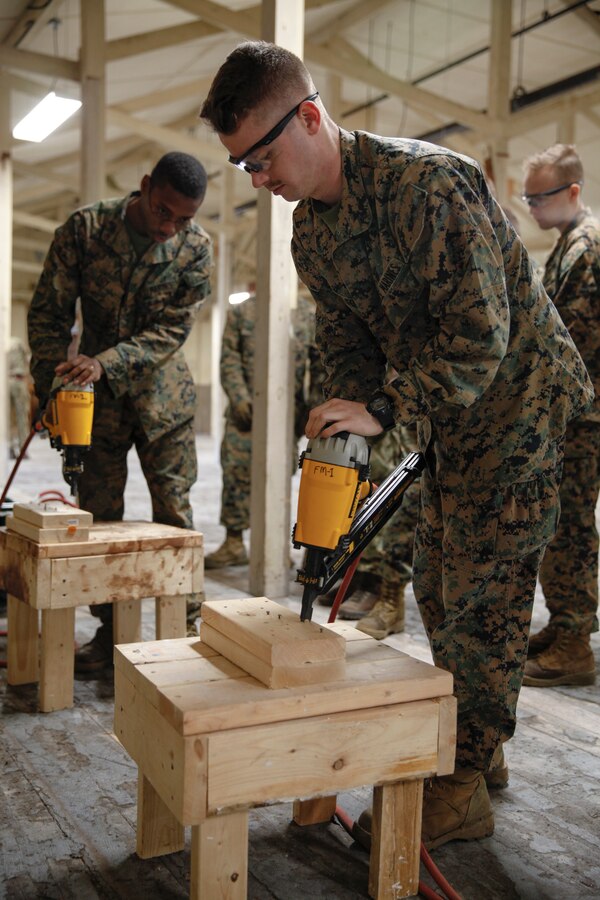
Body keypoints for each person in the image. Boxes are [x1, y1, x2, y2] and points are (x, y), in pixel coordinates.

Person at [200, 42, 593, 851]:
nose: (258, 181)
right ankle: (480, 747)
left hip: (515, 404)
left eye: (261, 158)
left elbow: (482, 336)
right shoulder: (313, 234)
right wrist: (345, 419)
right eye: (243, 167)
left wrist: (385, 406)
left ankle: (460, 785)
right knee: (437, 585)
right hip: (444, 416)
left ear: (309, 117)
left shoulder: (430, 183)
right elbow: (346, 341)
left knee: (484, 592)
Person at [28, 152, 213, 673]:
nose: (170, 227)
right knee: (100, 517)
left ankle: (190, 633)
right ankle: (110, 635)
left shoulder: (196, 249)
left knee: (174, 514)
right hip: (94, 407)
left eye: (184, 219)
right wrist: (50, 394)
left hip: (163, 402)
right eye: (163, 212)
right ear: (145, 186)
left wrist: (105, 362)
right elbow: (48, 314)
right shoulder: (85, 230)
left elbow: (172, 332)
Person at [522, 143, 599, 687]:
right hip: (575, 412)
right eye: (526, 198)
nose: (531, 207)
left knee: (569, 527)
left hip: (582, 416)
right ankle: (565, 624)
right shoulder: (569, 244)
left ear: (572, 192)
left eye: (540, 197)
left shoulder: (586, 249)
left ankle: (574, 640)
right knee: (563, 525)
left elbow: (574, 341)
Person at [205, 290, 316, 569]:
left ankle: (275, 544)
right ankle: (233, 542)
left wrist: (309, 410)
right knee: (236, 473)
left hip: (287, 415)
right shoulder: (242, 312)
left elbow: (317, 365)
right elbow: (229, 358)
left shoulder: (307, 315)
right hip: (246, 416)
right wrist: (240, 398)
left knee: (279, 477)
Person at [8, 336, 32, 459]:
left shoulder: (6, 344)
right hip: (18, 380)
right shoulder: (18, 343)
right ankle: (23, 448)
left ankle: (11, 447)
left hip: (6, 382)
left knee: (9, 418)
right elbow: (28, 360)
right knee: (22, 417)